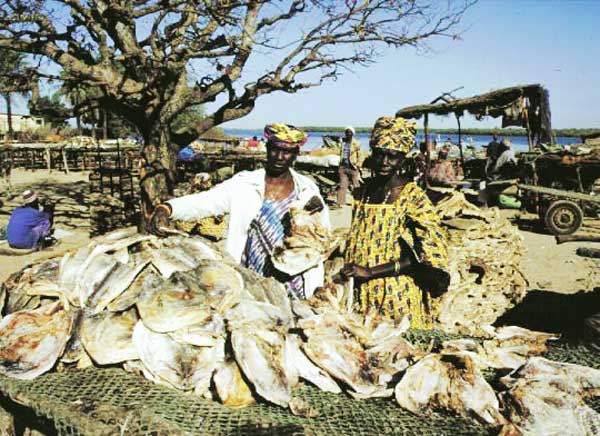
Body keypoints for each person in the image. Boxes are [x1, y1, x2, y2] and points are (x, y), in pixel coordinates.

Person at [149, 123, 330, 299]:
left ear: (296, 154)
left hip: (296, 276)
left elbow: (323, 237)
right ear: (267, 148)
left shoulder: (307, 190)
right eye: (275, 149)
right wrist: (169, 208)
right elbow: (205, 201)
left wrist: (311, 221)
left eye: (287, 151)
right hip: (253, 275)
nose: (280, 156)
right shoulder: (244, 184)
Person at [341, 116, 450, 329]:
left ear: (402, 160)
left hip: (394, 296)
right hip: (360, 291)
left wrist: (371, 272)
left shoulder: (412, 197)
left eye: (392, 156)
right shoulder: (363, 192)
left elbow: (422, 258)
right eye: (380, 154)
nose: (384, 162)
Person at [337, 126, 362, 207]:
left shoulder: (356, 143)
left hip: (352, 167)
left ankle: (357, 201)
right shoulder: (342, 142)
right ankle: (340, 202)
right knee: (342, 185)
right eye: (347, 132)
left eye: (350, 132)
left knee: (356, 185)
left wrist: (358, 165)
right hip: (343, 167)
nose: (348, 134)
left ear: (353, 134)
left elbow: (360, 155)